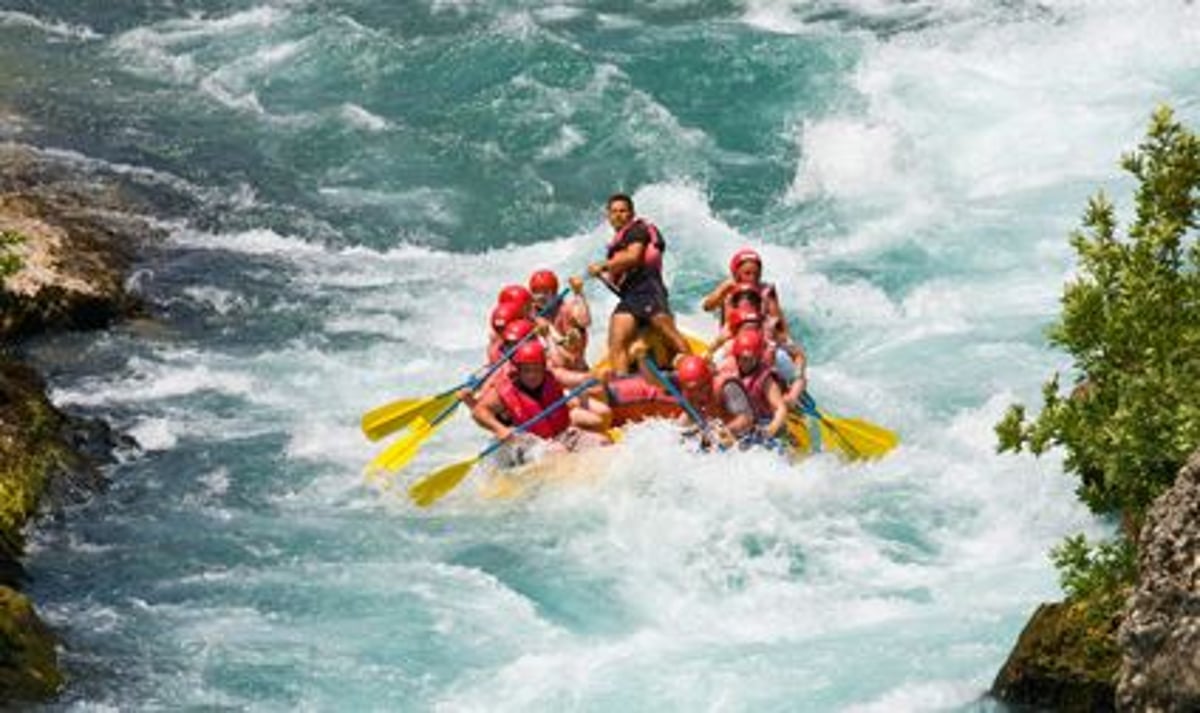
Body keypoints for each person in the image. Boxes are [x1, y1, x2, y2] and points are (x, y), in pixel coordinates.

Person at [587, 193, 691, 375]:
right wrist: (604, 274)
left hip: (648, 290)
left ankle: (694, 369)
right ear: (609, 216)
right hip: (630, 296)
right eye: (614, 212)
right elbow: (621, 277)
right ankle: (623, 386)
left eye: (623, 211)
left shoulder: (637, 230)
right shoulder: (618, 241)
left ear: (631, 213)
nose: (618, 215)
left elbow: (634, 257)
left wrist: (603, 266)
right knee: (616, 339)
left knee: (668, 332)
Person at [470, 340, 610, 466]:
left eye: (537, 370)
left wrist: (596, 377)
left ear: (543, 368)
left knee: (603, 443)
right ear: (518, 370)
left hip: (560, 434)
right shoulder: (504, 391)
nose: (532, 375)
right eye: (527, 370)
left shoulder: (553, 376)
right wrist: (499, 429)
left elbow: (581, 379)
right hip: (526, 442)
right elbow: (478, 412)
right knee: (558, 453)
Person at [703, 248, 807, 404]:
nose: (752, 278)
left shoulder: (766, 294)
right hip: (734, 342)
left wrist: (778, 341)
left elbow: (782, 330)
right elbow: (707, 306)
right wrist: (724, 290)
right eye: (747, 273)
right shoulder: (729, 290)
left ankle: (787, 390)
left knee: (784, 358)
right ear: (736, 274)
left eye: (756, 274)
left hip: (760, 343)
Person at [673, 355, 757, 448]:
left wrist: (721, 432)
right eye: (693, 390)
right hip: (718, 440)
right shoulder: (690, 393)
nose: (698, 394)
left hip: (745, 438)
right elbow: (685, 419)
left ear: (709, 380)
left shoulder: (728, 388)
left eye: (702, 387)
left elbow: (747, 419)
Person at [719, 329, 788, 440]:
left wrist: (771, 429)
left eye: (751, 359)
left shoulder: (765, 378)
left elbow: (781, 408)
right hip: (739, 419)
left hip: (762, 423)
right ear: (737, 355)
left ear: (758, 357)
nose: (747, 363)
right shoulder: (728, 367)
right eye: (743, 358)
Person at [528, 269, 591, 372]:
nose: (540, 296)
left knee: (575, 333)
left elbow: (585, 321)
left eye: (545, 292)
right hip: (552, 368)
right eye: (536, 292)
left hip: (575, 366)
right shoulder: (531, 313)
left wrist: (579, 293)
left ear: (555, 292)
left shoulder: (566, 308)